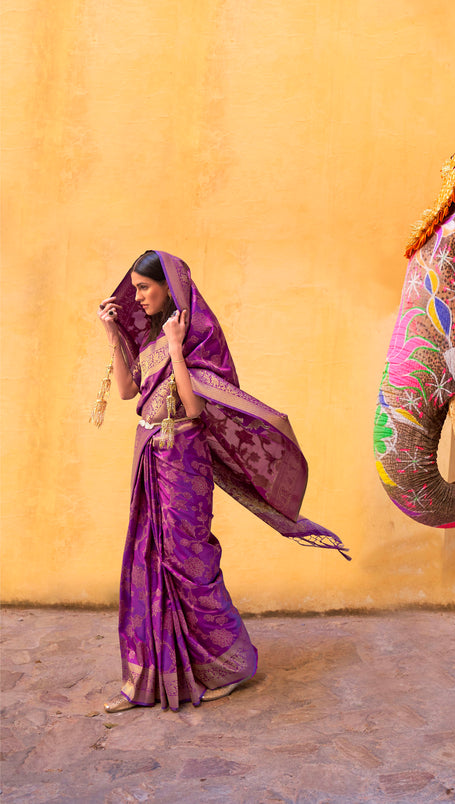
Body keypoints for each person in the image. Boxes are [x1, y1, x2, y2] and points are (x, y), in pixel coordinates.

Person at [93, 250, 349, 713]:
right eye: (133, 289)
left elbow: (193, 408)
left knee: (189, 562)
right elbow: (129, 392)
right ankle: (151, 676)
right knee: (150, 559)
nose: (137, 297)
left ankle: (230, 667)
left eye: (144, 288)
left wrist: (175, 347)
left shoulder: (195, 340)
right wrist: (112, 333)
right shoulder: (151, 341)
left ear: (169, 287)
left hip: (184, 462)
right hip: (151, 456)